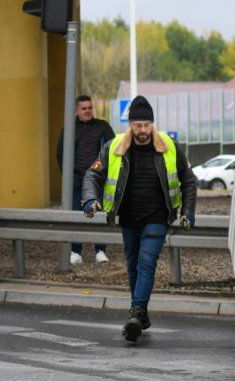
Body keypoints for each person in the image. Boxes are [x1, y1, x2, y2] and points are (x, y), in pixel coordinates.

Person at [81, 96, 197, 342]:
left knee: (146, 263)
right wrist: (90, 200)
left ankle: (134, 313)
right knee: (133, 265)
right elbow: (93, 174)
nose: (142, 131)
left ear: (152, 124)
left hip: (157, 217)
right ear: (130, 125)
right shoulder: (114, 147)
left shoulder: (169, 145)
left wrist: (187, 212)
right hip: (128, 218)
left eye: (146, 125)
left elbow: (188, 180)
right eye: (137, 125)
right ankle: (141, 314)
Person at [57, 95, 115, 264]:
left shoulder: (103, 127)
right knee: (76, 214)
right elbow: (60, 153)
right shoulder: (69, 128)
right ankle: (75, 252)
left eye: (90, 107)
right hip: (75, 179)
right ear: (77, 110)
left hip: (98, 179)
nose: (88, 111)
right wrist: (67, 176)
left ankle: (100, 251)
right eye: (84, 108)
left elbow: (113, 150)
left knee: (100, 214)